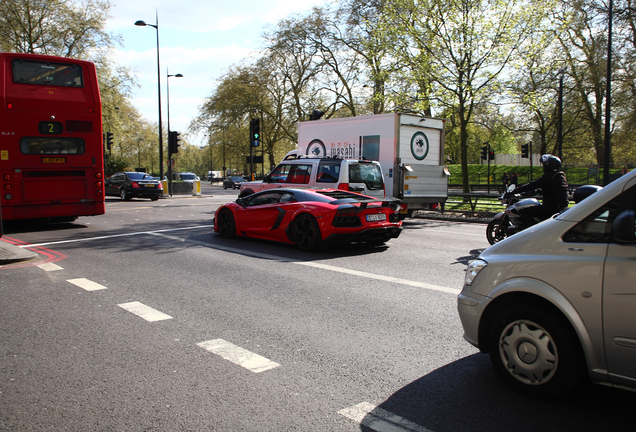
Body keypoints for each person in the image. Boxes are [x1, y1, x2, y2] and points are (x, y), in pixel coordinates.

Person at [513, 154, 569, 225]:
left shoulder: (548, 176)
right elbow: (552, 190)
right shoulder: (559, 176)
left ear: (548, 166)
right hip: (559, 207)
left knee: (523, 211)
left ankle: (529, 232)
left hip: (551, 207)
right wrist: (538, 192)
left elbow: (532, 185)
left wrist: (515, 190)